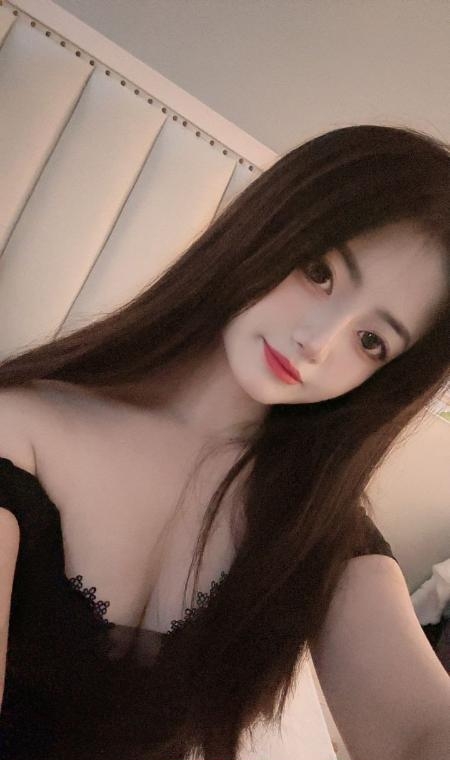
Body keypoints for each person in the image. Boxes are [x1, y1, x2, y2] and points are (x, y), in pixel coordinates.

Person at [0, 124, 449, 759]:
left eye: (371, 341)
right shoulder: (19, 431)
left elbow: (421, 728)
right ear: (268, 227)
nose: (317, 342)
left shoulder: (320, 531)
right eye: (319, 272)